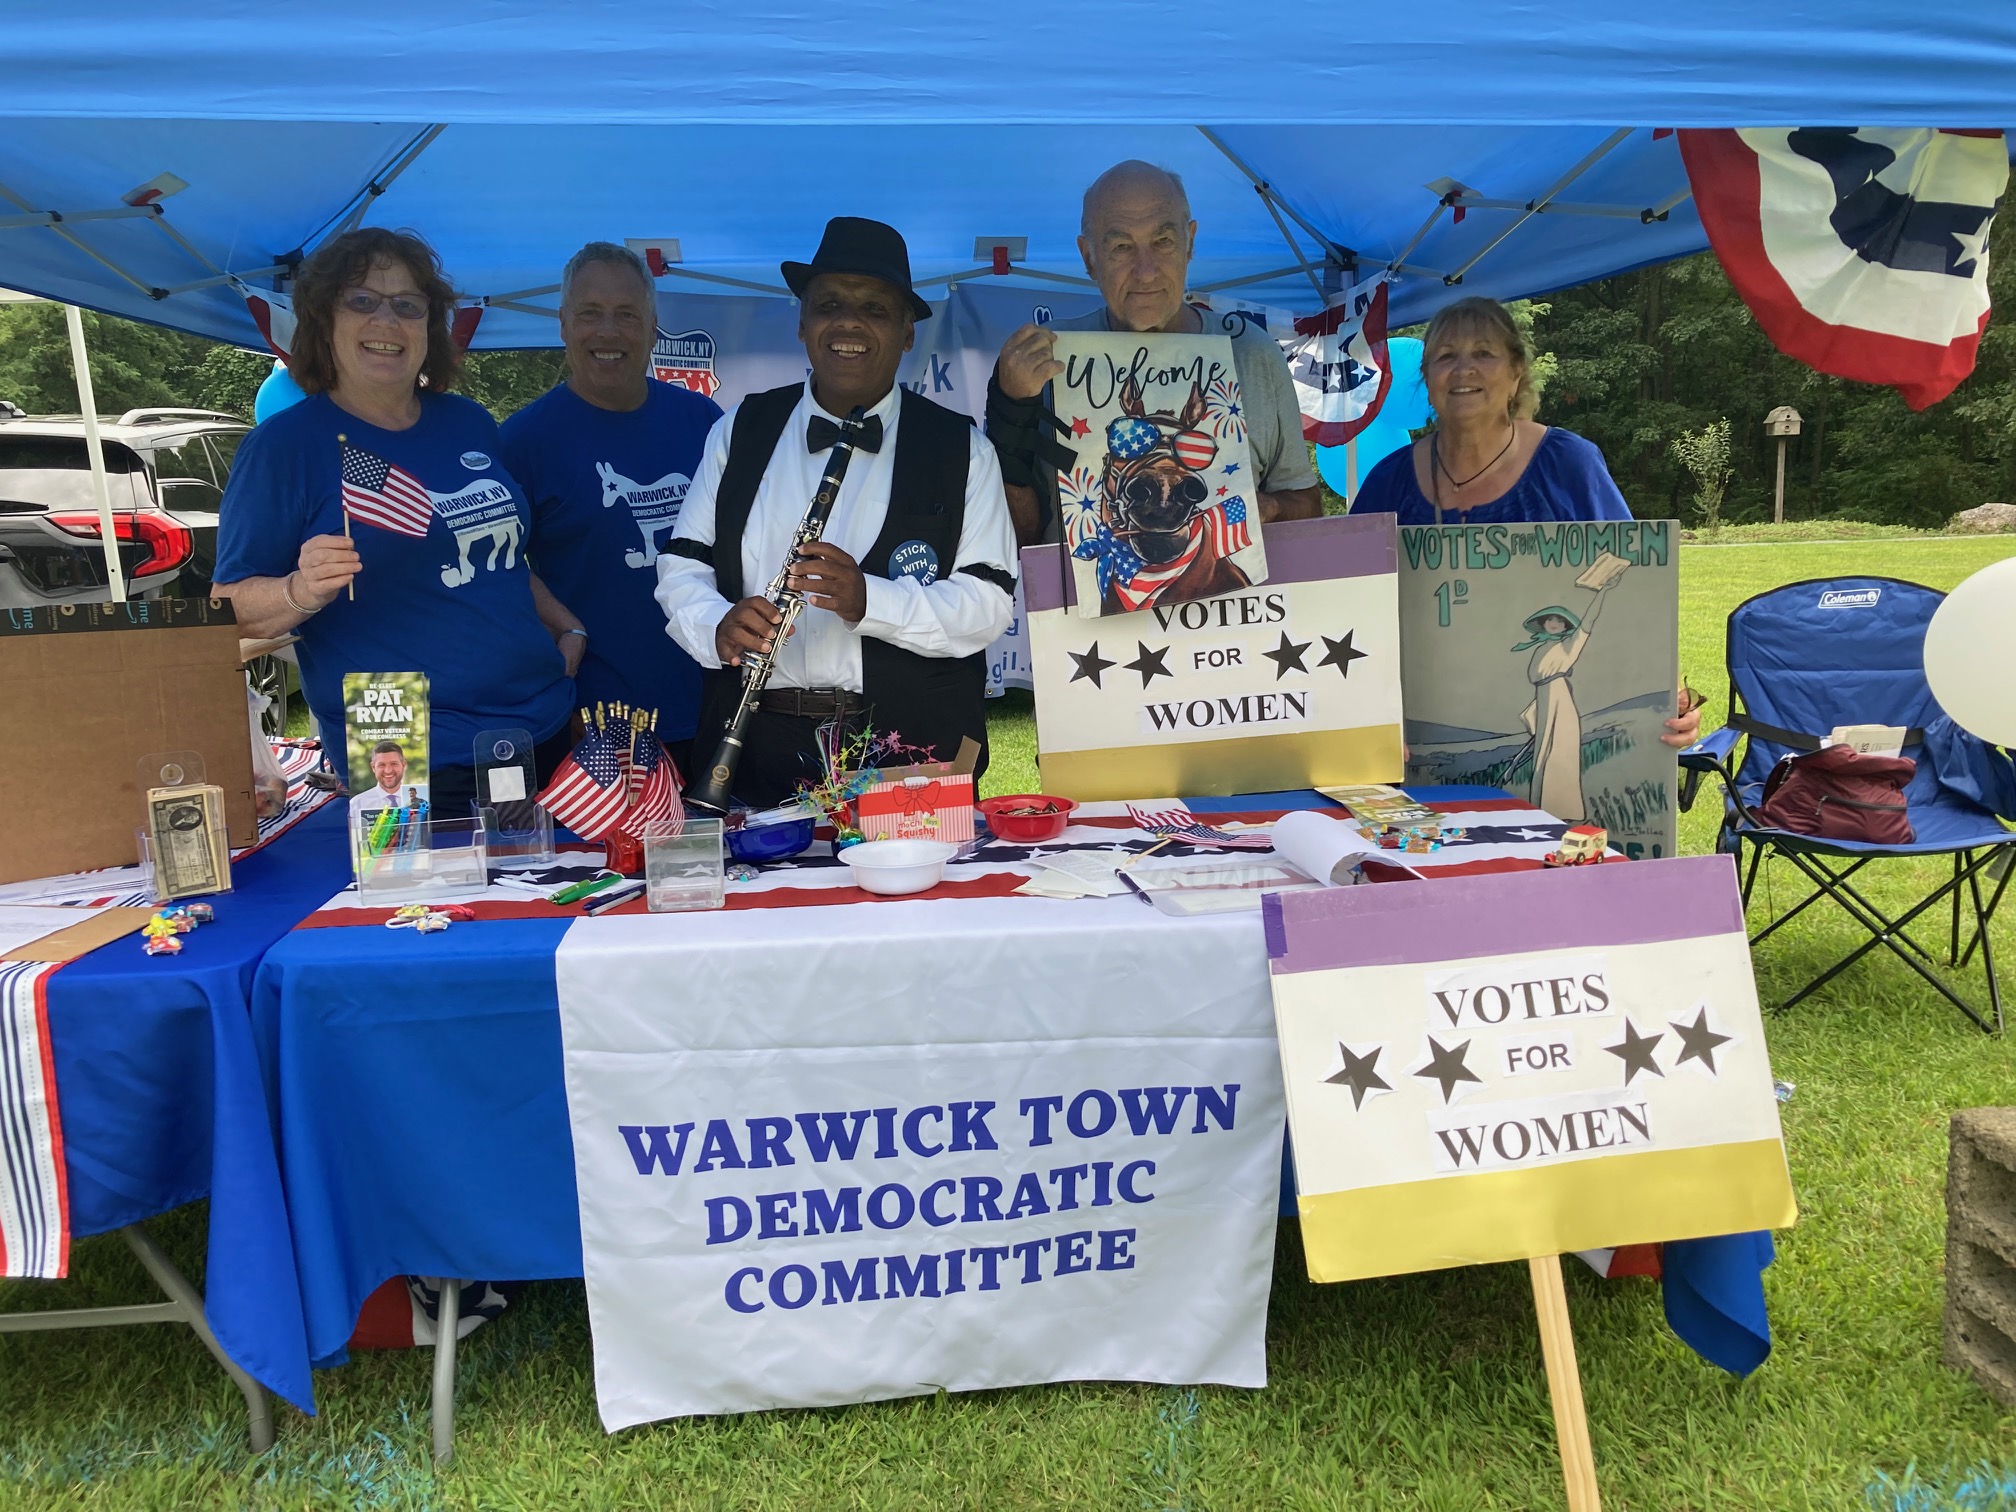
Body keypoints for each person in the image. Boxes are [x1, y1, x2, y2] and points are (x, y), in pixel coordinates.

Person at [213, 227, 577, 817]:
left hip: (543, 725)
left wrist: (568, 628)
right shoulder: (283, 448)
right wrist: (299, 591)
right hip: (410, 751)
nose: (387, 322)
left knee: (563, 898)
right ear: (322, 321)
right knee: (431, 911)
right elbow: (224, 608)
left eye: (407, 306)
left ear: (428, 328)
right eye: (361, 301)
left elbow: (498, 560)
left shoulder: (469, 423)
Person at [658, 216, 1017, 808]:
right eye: (829, 304)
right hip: (756, 751)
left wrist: (869, 600)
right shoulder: (739, 432)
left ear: (907, 334)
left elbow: (990, 604)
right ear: (803, 324)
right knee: (769, 901)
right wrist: (715, 624)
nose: (849, 322)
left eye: (875, 309)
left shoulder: (963, 449)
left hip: (908, 755)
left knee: (917, 904)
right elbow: (682, 567)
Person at [1352, 295, 1702, 748]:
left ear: (1516, 372)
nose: (1463, 369)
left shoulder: (1568, 464)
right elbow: (1349, 605)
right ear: (1427, 379)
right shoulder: (1388, 481)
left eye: (1483, 352)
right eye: (1445, 356)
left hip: (1544, 715)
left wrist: (1668, 698)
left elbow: (1634, 578)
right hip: (1412, 740)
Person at [986, 160, 1321, 548]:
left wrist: (1267, 509)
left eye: (1163, 241)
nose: (1146, 271)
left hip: (1234, 608)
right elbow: (1015, 540)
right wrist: (1008, 410)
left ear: (1190, 241)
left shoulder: (1253, 353)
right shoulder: (1048, 364)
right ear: (1089, 257)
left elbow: (1308, 511)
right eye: (1121, 247)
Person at [500, 242, 724, 777]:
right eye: (590, 314)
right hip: (597, 720)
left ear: (652, 327)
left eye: (626, 315)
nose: (608, 332)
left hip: (714, 707)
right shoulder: (523, 442)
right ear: (562, 324)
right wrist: (564, 668)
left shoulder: (706, 423)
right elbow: (501, 573)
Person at [348, 739, 421, 817]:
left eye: (394, 764)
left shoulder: (421, 802)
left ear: (403, 765)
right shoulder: (357, 804)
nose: (388, 771)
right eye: (382, 765)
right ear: (373, 767)